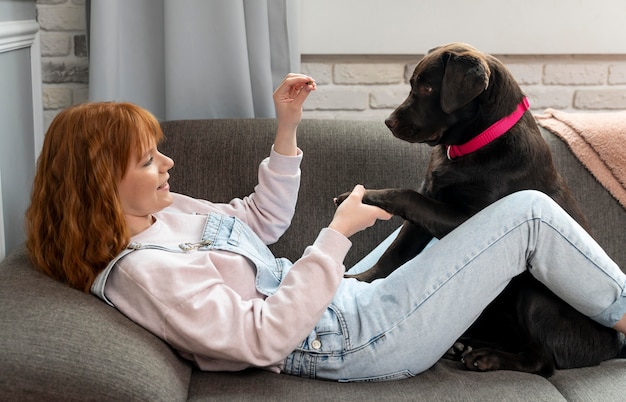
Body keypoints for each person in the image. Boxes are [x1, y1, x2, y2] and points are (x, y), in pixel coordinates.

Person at [26, 73, 626, 382]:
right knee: (527, 213)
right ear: (100, 181)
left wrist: (286, 126)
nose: (168, 163)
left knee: (443, 215)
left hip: (348, 301)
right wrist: (335, 236)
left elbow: (259, 220)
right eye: (148, 159)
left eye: (160, 151)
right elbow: (258, 339)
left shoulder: (166, 213)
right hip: (358, 337)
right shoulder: (143, 273)